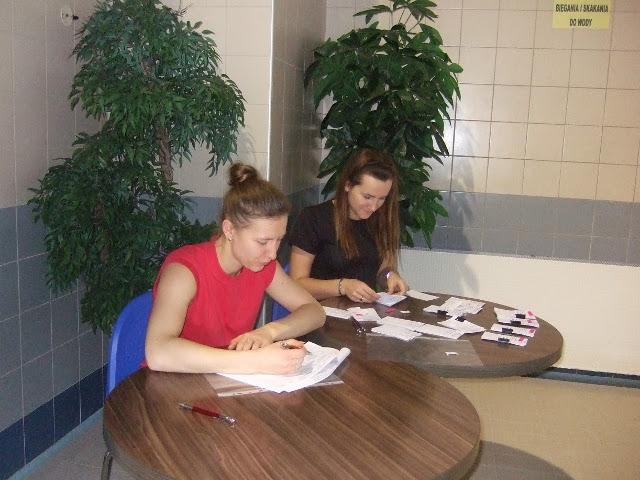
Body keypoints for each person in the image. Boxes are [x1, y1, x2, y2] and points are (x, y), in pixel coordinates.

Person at [145, 164, 325, 375]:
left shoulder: (262, 266)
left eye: (278, 240)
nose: (272, 254)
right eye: (263, 242)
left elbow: (314, 311)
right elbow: (158, 353)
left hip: (227, 378)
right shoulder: (184, 271)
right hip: (174, 382)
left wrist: (269, 332)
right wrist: (254, 361)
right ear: (229, 229)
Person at [289, 148, 409, 303]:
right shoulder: (313, 218)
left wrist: (389, 275)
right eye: (367, 197)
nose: (374, 207)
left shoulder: (382, 218)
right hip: (320, 311)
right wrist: (343, 286)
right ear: (348, 185)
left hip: (365, 312)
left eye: (381, 199)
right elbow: (297, 283)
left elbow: (383, 270)